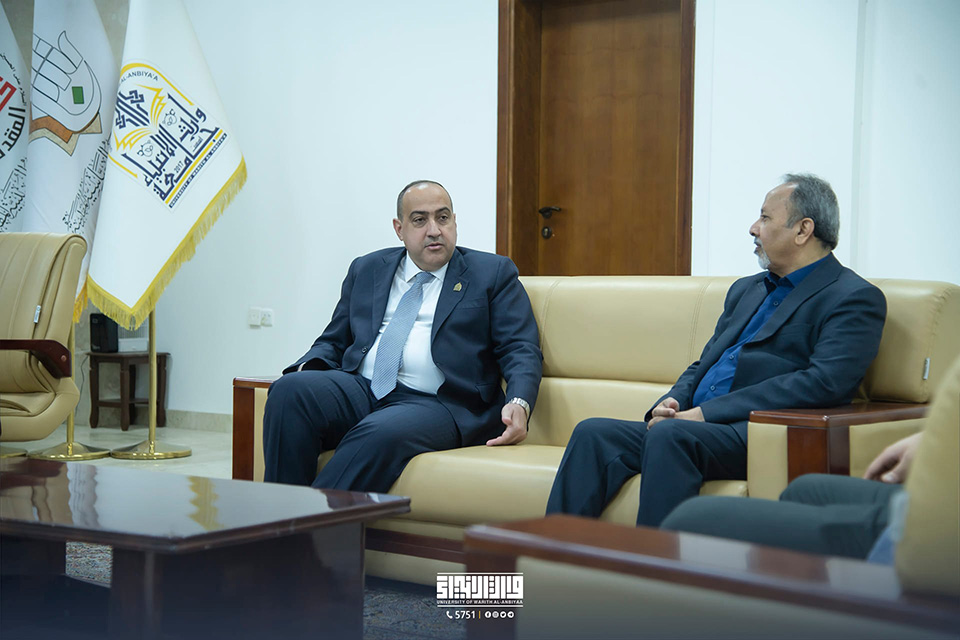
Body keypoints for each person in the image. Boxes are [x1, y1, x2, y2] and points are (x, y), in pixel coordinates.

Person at [545, 173, 886, 526]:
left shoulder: (852, 297)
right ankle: (550, 551)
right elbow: (704, 362)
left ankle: (655, 561)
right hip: (692, 426)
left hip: (755, 432)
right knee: (593, 433)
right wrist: (673, 400)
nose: (753, 228)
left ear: (803, 230)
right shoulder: (747, 290)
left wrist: (706, 414)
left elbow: (824, 382)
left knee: (670, 435)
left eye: (765, 218)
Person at [263, 180, 542, 492]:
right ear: (399, 229)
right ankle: (280, 507)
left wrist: (519, 401)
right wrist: (307, 368)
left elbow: (520, 347)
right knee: (289, 391)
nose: (434, 230)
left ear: (454, 222)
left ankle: (306, 519)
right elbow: (334, 339)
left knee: (379, 431)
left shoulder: (491, 273)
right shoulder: (367, 268)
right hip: (363, 388)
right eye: (420, 220)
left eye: (443, 218)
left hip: (440, 403)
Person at [660, 432, 921, 561]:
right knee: (804, 488)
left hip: (932, 528)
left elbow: (826, 379)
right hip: (922, 498)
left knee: (690, 518)